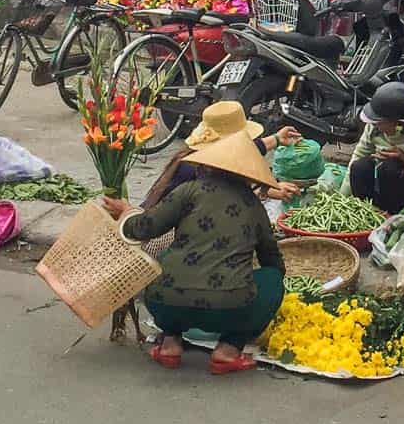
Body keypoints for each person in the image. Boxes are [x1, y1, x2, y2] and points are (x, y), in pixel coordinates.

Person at [101, 123, 284, 375]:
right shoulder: (253, 205)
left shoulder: (188, 191)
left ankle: (170, 343)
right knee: (273, 280)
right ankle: (228, 350)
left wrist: (125, 214)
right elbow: (271, 259)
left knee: (166, 258)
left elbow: (145, 227)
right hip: (229, 308)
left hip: (165, 303)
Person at [141, 100, 301, 209]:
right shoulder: (196, 170)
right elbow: (223, 202)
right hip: (168, 236)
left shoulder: (207, 156)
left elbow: (247, 149)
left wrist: (277, 139)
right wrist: (266, 191)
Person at [342, 81, 404, 212]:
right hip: (380, 187)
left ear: (399, 124)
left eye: (379, 122)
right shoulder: (375, 126)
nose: (373, 125)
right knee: (360, 166)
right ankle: (365, 211)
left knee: (390, 168)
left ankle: (392, 217)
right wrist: (342, 198)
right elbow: (359, 154)